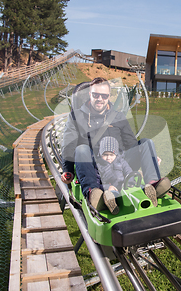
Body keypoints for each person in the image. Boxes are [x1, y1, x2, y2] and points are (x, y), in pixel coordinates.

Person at [60, 77, 170, 214]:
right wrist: (67, 170)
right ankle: (94, 193)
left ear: (108, 96)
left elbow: (131, 144)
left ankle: (153, 185)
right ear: (90, 94)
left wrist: (148, 155)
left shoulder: (117, 116)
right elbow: (68, 145)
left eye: (104, 95)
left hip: (119, 162)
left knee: (147, 143)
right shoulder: (76, 116)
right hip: (93, 166)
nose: (100, 99)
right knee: (81, 149)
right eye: (96, 95)